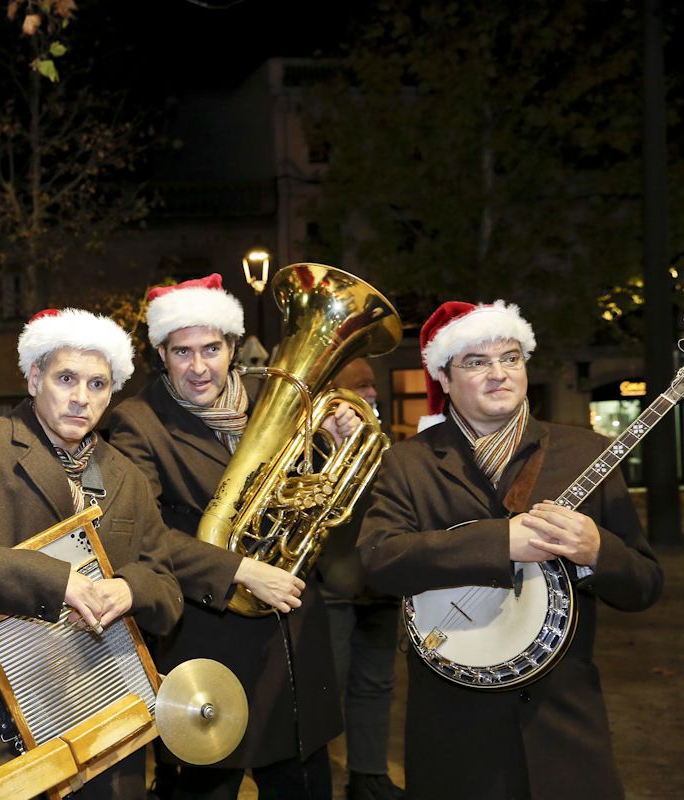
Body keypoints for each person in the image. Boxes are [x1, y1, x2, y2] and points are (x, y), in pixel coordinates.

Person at [357, 300, 664, 800]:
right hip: (455, 730)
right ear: (445, 379)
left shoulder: (587, 452)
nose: (499, 373)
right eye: (476, 362)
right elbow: (377, 561)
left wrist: (597, 550)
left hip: (564, 723)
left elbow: (645, 586)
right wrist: (501, 542)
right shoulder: (408, 464)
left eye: (511, 357)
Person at [0, 307, 184, 799]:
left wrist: (130, 589)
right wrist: (53, 579)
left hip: (110, 720)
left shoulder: (128, 475)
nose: (81, 398)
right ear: (34, 376)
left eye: (98, 385)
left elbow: (166, 590)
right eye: (67, 378)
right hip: (5, 722)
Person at [108, 274, 345, 800]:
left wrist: (338, 444)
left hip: (292, 639)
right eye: (182, 351)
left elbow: (322, 501)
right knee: (204, 788)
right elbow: (141, 537)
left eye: (211, 348)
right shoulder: (138, 423)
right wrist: (237, 569)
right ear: (161, 354)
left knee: (302, 785)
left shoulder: (277, 398)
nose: (198, 367)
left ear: (233, 347)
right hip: (208, 640)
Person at [318, 358, 404, 800]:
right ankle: (312, 777)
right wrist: (334, 447)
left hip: (381, 585)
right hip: (334, 584)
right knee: (327, 687)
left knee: (377, 684)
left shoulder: (382, 443)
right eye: (362, 386)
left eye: (373, 385)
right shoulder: (316, 442)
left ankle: (369, 774)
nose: (372, 393)